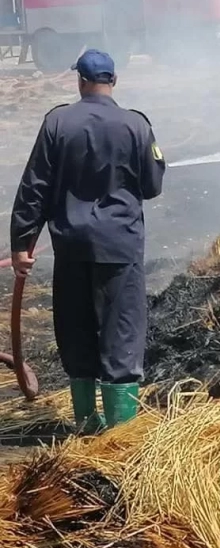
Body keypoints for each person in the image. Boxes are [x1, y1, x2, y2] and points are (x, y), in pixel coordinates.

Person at [8, 49, 165, 433]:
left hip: (72, 248)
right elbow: (152, 186)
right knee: (121, 332)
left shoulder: (57, 122)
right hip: (119, 248)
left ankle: (85, 425)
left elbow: (34, 188)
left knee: (76, 330)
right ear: (114, 81)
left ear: (79, 80)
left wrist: (21, 243)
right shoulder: (136, 125)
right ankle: (121, 435)